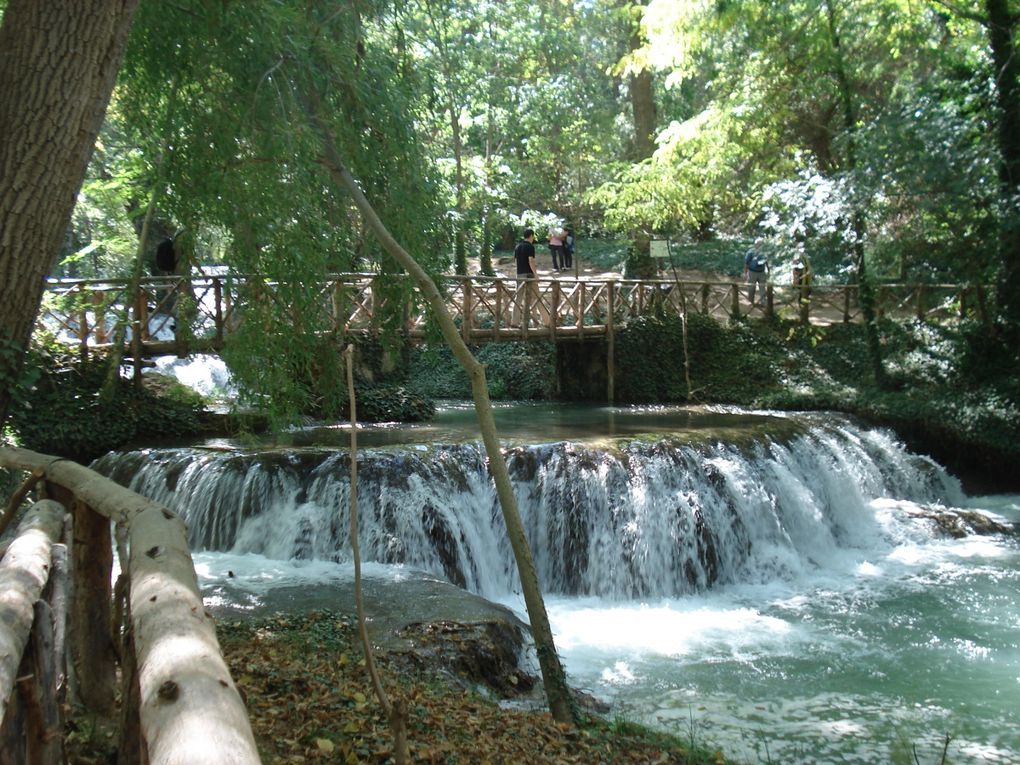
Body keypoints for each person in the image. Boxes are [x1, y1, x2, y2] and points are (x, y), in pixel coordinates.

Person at [513, 228, 540, 326]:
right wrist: (536, 274)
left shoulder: (517, 246)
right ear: (531, 236)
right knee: (535, 297)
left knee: (518, 298)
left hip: (519, 274)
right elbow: (531, 261)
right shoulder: (530, 247)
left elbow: (515, 261)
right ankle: (536, 321)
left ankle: (514, 321)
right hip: (529, 274)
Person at [743, 238, 769, 306]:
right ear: (755, 244)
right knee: (751, 288)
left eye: (761, 244)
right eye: (758, 244)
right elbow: (746, 263)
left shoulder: (764, 253)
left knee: (762, 288)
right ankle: (751, 302)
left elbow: (766, 262)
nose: (760, 245)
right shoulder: (750, 252)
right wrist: (745, 273)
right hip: (752, 272)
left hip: (762, 272)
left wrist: (768, 270)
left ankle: (763, 302)